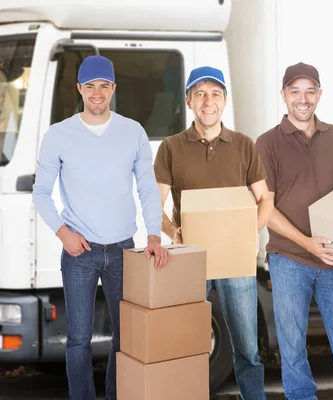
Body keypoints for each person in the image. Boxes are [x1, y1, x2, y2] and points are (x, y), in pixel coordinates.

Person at [32, 55, 170, 400]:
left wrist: (153, 234)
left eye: (104, 86)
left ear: (113, 89)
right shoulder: (59, 135)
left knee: (125, 338)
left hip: (124, 249)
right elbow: (41, 192)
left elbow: (148, 188)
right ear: (79, 89)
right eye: (90, 86)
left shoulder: (132, 131)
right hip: (80, 252)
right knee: (78, 340)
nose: (97, 93)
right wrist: (64, 234)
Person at [256, 62, 333, 400]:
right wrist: (308, 243)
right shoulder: (267, 143)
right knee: (292, 346)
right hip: (289, 258)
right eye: (295, 92)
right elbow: (266, 207)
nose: (303, 99)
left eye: (310, 91)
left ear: (319, 95)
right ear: (284, 95)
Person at [153, 66, 273, 400]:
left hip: (235, 262)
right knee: (188, 347)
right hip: (191, 260)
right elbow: (155, 202)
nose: (209, 101)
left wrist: (250, 228)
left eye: (215, 94)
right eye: (201, 94)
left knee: (247, 348)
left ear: (225, 101)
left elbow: (265, 198)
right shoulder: (171, 147)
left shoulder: (243, 145)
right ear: (189, 100)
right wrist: (171, 230)